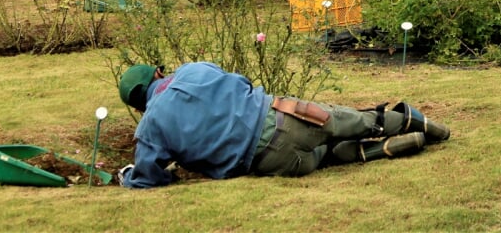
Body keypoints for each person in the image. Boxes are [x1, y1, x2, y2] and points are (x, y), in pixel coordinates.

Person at [114, 61, 449, 188]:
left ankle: (372, 153)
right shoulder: (191, 71)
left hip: (267, 161)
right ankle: (410, 121)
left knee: (323, 156)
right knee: (354, 120)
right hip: (286, 116)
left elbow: (148, 177)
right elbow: (242, 82)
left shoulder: (150, 128)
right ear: (158, 74)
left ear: (138, 105)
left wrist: (128, 176)